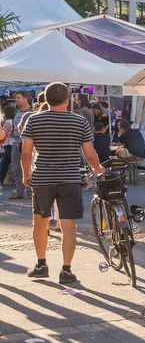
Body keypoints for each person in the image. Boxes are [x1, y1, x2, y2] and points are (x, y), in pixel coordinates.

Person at [20, 83, 103, 284]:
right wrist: (98, 170)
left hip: (43, 178)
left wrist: (25, 174)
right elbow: (89, 154)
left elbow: (25, 153)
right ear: (67, 100)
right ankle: (66, 269)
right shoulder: (79, 121)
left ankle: (41, 264)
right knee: (68, 226)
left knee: (40, 223)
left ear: (46, 100)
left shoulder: (34, 120)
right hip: (70, 179)